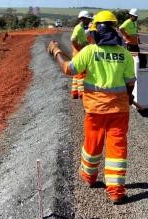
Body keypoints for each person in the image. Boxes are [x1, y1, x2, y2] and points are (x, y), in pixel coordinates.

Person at [47, 10, 135, 204]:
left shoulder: (89, 51)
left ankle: (89, 177)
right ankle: (116, 191)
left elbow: (68, 69)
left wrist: (56, 51)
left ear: (96, 31)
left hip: (95, 110)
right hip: (119, 111)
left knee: (92, 144)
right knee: (117, 148)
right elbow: (130, 83)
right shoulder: (125, 54)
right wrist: (128, 98)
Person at [69, 11, 92, 99]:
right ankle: (82, 94)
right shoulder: (78, 28)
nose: (89, 21)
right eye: (88, 19)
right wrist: (78, 49)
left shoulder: (82, 28)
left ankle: (75, 93)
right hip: (79, 54)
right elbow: (73, 39)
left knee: (76, 74)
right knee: (82, 74)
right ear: (83, 19)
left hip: (79, 53)